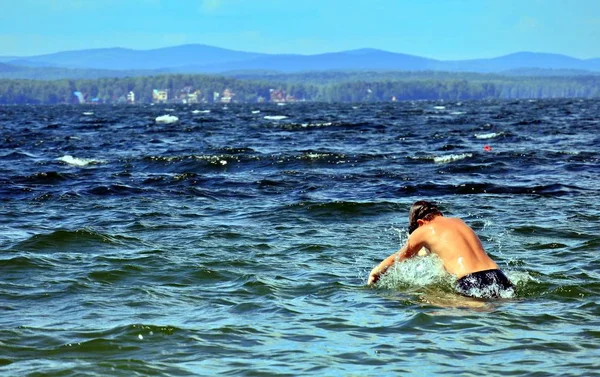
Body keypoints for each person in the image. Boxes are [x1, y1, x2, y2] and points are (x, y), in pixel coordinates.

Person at [368, 200, 514, 298]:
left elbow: (399, 258)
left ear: (420, 222)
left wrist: (375, 274)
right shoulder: (458, 222)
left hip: (470, 281)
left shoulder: (422, 230)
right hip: (499, 276)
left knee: (432, 303)